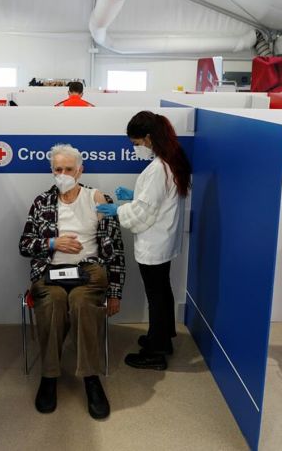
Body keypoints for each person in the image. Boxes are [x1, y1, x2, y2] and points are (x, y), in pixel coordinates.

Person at [19, 144, 125, 419]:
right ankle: (49, 376)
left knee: (81, 303)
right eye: (58, 169)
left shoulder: (98, 198)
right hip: (50, 272)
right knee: (53, 303)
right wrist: (52, 243)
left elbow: (115, 250)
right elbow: (24, 245)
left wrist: (115, 292)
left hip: (89, 273)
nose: (63, 174)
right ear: (51, 171)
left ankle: (90, 378)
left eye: (69, 169)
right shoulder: (42, 202)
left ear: (80, 170)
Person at [96, 111, 191, 371]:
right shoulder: (170, 161)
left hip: (154, 241)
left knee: (156, 296)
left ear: (148, 138)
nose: (135, 148)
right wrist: (135, 194)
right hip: (163, 239)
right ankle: (162, 338)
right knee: (162, 291)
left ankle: (156, 352)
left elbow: (145, 212)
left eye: (136, 143)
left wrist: (118, 210)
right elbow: (155, 200)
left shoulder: (158, 168)